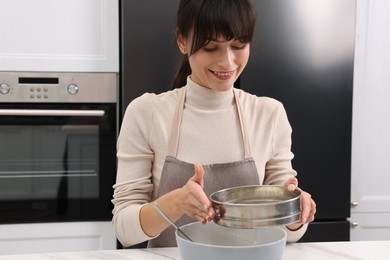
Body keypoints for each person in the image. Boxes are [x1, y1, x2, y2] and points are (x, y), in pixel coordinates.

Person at [112, 0, 316, 248]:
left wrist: (297, 211)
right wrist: (176, 202)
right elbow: (125, 229)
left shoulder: (269, 114)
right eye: (211, 48)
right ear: (182, 40)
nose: (227, 62)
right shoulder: (147, 113)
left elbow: (289, 231)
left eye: (238, 45)